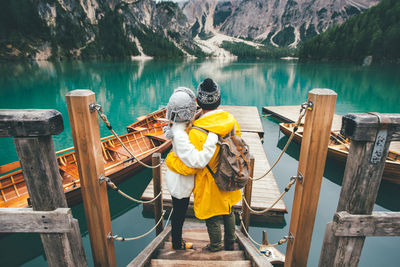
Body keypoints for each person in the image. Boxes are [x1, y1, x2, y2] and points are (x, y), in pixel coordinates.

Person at [166, 78, 242, 252]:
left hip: (210, 182)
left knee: (213, 217)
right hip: (230, 174)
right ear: (219, 100)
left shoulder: (196, 132)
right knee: (228, 209)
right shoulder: (230, 120)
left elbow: (191, 166)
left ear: (198, 102)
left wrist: (170, 160)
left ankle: (215, 247)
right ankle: (231, 241)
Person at [163, 87, 219, 250]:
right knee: (179, 215)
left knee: (178, 213)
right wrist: (212, 138)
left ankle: (176, 242)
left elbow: (189, 122)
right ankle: (177, 245)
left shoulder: (177, 124)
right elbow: (197, 160)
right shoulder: (180, 135)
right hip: (180, 182)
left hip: (178, 177)